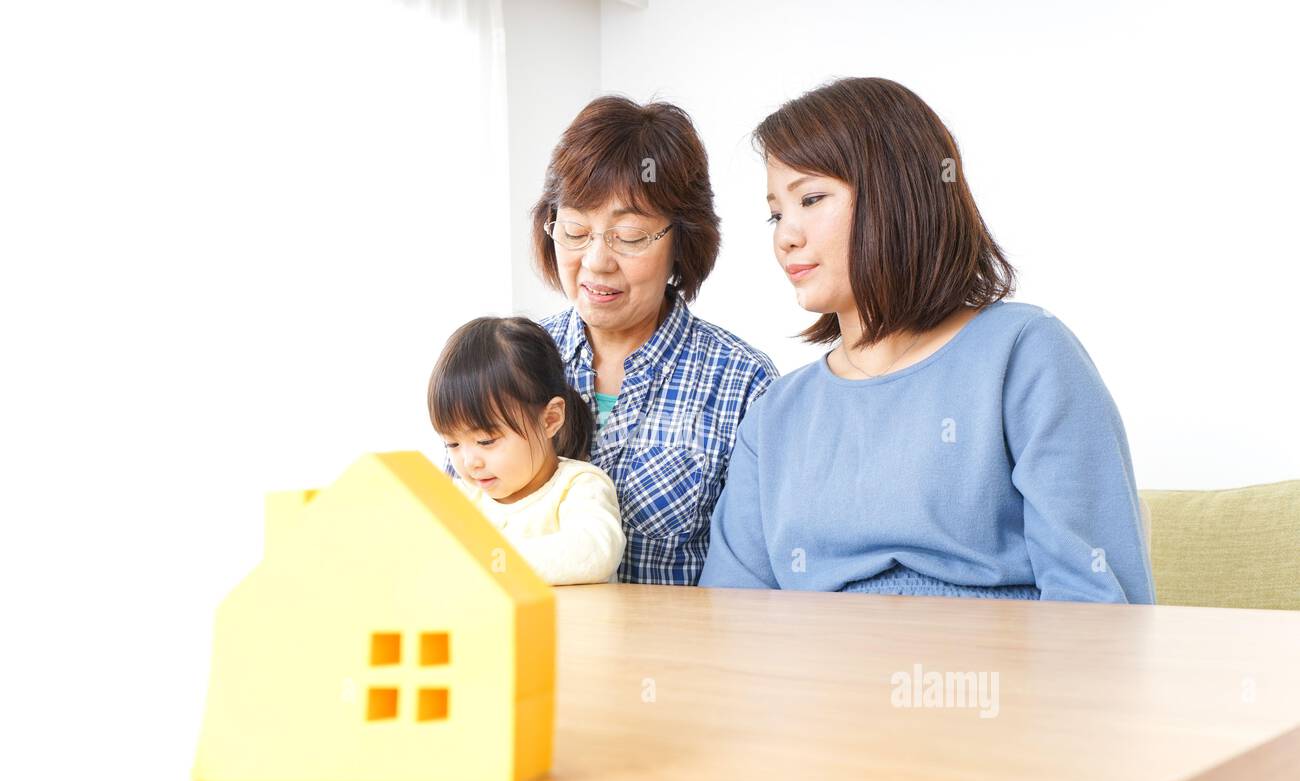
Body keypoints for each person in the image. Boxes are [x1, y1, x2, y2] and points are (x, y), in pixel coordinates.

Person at [699, 77, 1154, 603]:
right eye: (776, 213)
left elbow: (1096, 605)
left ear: (898, 194)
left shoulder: (1025, 354)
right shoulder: (776, 413)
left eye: (812, 198)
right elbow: (731, 614)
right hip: (811, 657)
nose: (785, 236)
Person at [528, 95, 779, 585]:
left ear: (682, 239)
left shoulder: (742, 382)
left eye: (629, 236)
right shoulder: (515, 361)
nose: (596, 261)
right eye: (575, 230)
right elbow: (458, 534)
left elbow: (755, 580)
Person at [428, 316, 625, 586]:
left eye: (486, 441)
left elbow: (596, 552)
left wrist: (491, 561)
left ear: (550, 419)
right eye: (452, 444)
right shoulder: (465, 497)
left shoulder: (578, 486)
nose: (470, 462)